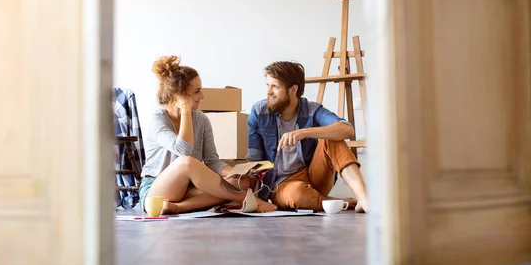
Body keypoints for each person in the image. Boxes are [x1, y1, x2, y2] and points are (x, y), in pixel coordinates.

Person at [138, 55, 277, 214]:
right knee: (186, 163)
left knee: (244, 182)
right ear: (179, 96)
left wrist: (236, 172)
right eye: (197, 91)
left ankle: (178, 207)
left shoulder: (201, 119)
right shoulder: (158, 119)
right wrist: (185, 110)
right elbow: (184, 150)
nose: (202, 96)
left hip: (190, 189)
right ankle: (245, 199)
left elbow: (212, 161)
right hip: (156, 192)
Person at [246, 61, 369, 213]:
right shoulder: (259, 112)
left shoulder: (311, 110)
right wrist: (253, 199)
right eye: (268, 85)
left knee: (332, 138)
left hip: (313, 174)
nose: (268, 92)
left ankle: (363, 198)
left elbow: (347, 129)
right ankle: (340, 202)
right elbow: (253, 160)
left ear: (293, 89)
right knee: (297, 194)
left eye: (275, 86)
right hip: (282, 184)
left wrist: (304, 132)